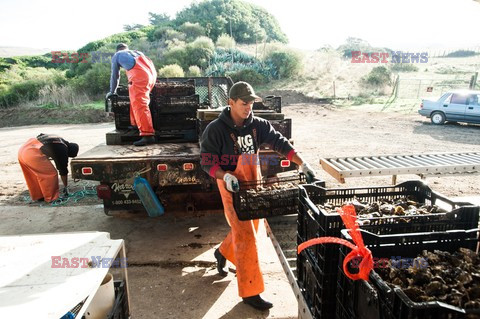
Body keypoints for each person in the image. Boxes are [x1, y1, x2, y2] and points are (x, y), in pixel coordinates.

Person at [200, 81, 316, 311]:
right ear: (230, 102)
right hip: (231, 187)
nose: (249, 107)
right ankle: (251, 291)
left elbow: (279, 142)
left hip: (253, 182)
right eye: (244, 103)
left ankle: (222, 252)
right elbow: (207, 162)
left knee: (251, 229)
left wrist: (302, 164)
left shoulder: (258, 125)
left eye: (251, 102)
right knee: (246, 238)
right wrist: (224, 176)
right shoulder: (215, 129)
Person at [106, 43, 157, 146]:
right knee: (136, 101)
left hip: (140, 77)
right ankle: (136, 125)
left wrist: (112, 91)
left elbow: (115, 75)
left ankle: (147, 135)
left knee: (140, 105)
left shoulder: (117, 55)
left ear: (117, 50)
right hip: (152, 75)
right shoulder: (137, 52)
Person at [18, 134, 79, 203]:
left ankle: (39, 196)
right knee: (50, 174)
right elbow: (63, 170)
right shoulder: (62, 149)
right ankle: (52, 198)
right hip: (32, 152)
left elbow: (41, 138)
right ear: (69, 152)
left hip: (24, 150)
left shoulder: (58, 139)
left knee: (35, 176)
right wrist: (65, 186)